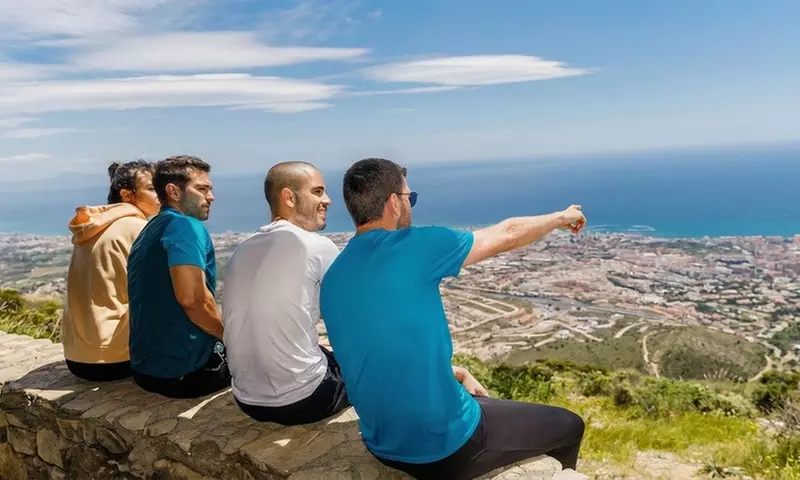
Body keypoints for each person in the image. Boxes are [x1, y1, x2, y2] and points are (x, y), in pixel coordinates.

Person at [320, 158, 588, 480]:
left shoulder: (335, 275)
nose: (411, 206)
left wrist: (454, 373)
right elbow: (509, 234)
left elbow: (378, 348)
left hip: (380, 443)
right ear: (393, 202)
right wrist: (562, 217)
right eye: (410, 198)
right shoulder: (415, 246)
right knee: (570, 425)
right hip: (445, 446)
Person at [223, 161, 350, 425]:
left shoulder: (243, 248)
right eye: (317, 191)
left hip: (247, 399)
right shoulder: (316, 246)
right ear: (289, 198)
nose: (327, 200)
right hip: (303, 400)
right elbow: (352, 320)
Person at [127, 155, 230, 399]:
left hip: (146, 368)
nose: (211, 196)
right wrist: (230, 337)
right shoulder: (184, 227)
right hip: (187, 371)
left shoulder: (151, 228)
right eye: (202, 189)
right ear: (173, 191)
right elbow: (193, 299)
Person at [61, 160, 160, 382]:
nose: (161, 194)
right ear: (126, 194)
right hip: (117, 359)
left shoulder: (91, 228)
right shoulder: (138, 228)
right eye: (152, 189)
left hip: (76, 357)